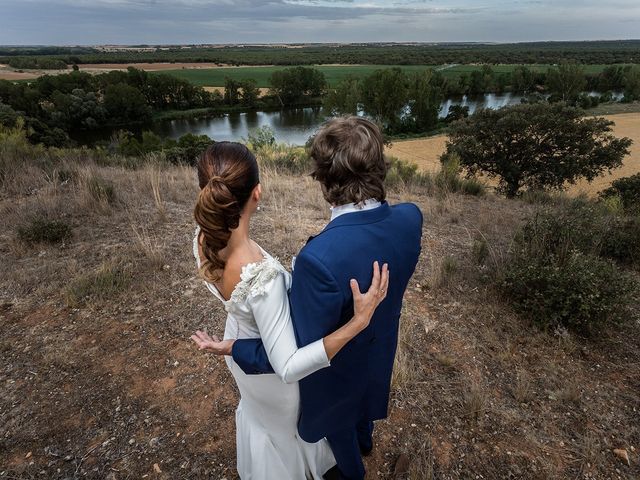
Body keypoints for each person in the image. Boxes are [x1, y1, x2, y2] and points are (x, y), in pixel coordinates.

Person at [228, 116, 423, 479]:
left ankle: (354, 471)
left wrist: (235, 348)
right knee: (365, 404)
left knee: (342, 431)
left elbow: (296, 354)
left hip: (336, 379)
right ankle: (367, 440)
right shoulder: (411, 218)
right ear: (379, 166)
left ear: (324, 179)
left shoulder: (319, 260)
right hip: (380, 351)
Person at [190, 141, 390, 480]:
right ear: (257, 193)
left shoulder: (202, 236)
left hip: (239, 347)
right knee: (287, 434)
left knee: (260, 419)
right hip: (271, 376)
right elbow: (287, 366)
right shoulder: (261, 279)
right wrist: (358, 321)